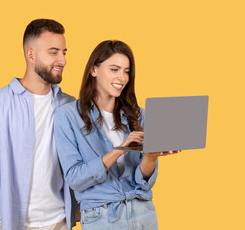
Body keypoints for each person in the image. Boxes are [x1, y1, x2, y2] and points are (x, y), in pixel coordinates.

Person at [0, 19, 77, 230]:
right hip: (9, 225)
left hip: (60, 223)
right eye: (53, 52)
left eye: (64, 52)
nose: (63, 60)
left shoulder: (71, 105)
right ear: (30, 54)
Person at [54, 40, 180, 230]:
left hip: (143, 213)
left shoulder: (139, 115)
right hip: (102, 217)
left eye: (126, 71)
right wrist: (120, 149)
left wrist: (151, 156)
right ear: (93, 70)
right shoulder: (68, 116)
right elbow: (75, 178)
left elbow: (143, 182)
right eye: (114, 69)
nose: (122, 77)